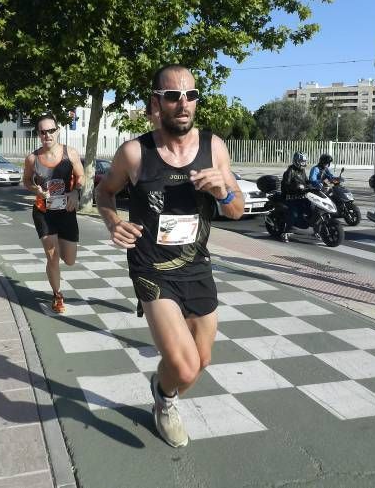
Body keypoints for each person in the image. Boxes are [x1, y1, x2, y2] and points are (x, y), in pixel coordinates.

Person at [96, 64, 244, 448]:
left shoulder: (214, 148)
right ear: (156, 103)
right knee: (184, 365)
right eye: (173, 96)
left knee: (202, 360)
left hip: (196, 265)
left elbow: (237, 211)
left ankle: (164, 387)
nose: (184, 104)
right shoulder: (134, 152)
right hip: (151, 267)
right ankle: (165, 401)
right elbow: (104, 193)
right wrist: (113, 222)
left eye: (191, 96)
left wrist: (223, 194)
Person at [22, 113, 84, 314]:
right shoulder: (32, 158)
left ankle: (57, 280)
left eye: (50, 130)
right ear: (38, 134)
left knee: (70, 259)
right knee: (52, 256)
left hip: (66, 211)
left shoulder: (70, 153)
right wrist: (35, 190)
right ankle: (57, 295)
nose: (47, 135)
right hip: (43, 212)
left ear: (57, 131)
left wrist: (76, 192)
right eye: (42, 132)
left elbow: (81, 175)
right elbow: (27, 181)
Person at [279, 151, 309, 242]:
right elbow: (286, 185)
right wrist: (296, 187)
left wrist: (315, 185)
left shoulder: (302, 171)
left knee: (311, 207)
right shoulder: (289, 171)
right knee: (294, 213)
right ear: (296, 161)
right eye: (302, 161)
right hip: (290, 197)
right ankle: (285, 233)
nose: (303, 163)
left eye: (304, 161)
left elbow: (306, 181)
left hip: (301, 197)